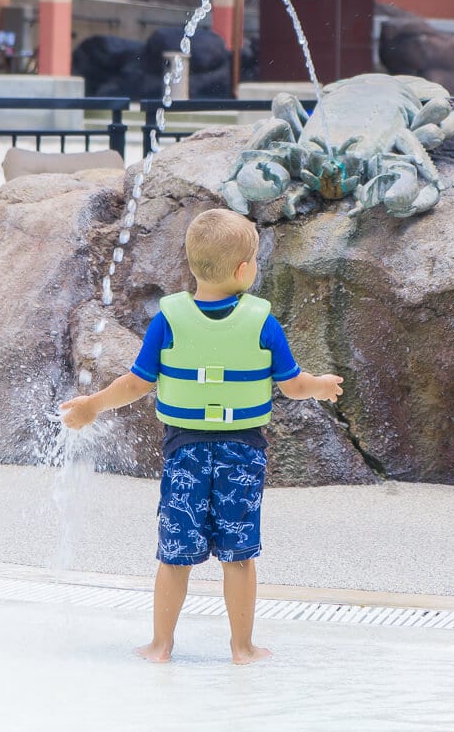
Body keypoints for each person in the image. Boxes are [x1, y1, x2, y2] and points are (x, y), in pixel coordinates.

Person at [60, 208, 343, 666]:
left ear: (191, 266)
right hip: (242, 453)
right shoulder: (263, 323)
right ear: (244, 269)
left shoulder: (168, 320)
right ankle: (242, 648)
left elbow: (136, 383)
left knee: (174, 555)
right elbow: (293, 385)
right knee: (239, 556)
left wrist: (92, 405)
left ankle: (160, 645)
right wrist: (322, 387)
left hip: (184, 452)